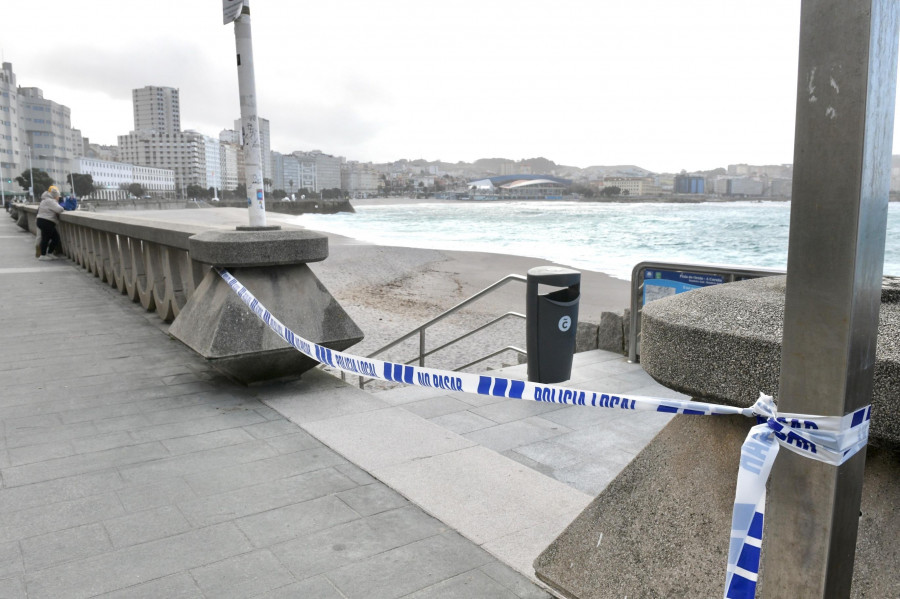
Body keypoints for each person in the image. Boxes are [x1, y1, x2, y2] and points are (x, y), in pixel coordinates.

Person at [36, 185, 64, 261]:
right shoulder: (50, 201)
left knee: (54, 238)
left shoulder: (44, 200)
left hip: (42, 221)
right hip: (47, 221)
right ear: (55, 196)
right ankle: (43, 255)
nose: (58, 197)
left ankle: (49, 253)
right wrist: (61, 205)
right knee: (47, 238)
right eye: (58, 196)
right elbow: (59, 209)